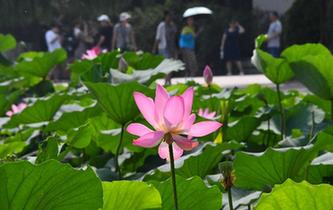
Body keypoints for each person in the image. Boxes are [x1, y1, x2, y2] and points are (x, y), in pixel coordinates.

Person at [153, 10, 177, 85]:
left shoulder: (172, 25)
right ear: (165, 17)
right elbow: (158, 38)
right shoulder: (161, 26)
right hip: (163, 48)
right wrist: (154, 48)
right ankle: (167, 80)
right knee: (166, 65)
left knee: (171, 65)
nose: (169, 18)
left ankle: (168, 80)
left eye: (170, 16)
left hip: (171, 47)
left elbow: (175, 36)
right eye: (168, 16)